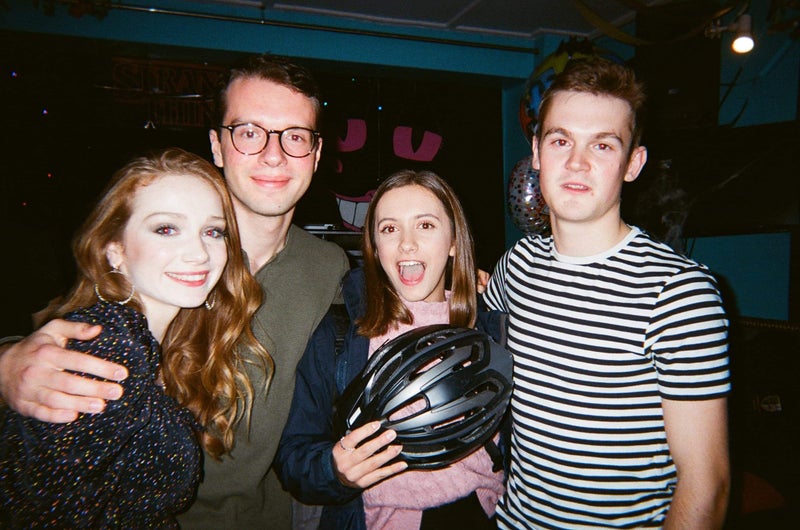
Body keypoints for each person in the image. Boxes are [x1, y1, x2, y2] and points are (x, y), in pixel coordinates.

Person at [0, 55, 351, 528]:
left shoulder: (327, 265)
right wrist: (7, 364)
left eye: (295, 136)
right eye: (250, 132)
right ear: (217, 145)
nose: (274, 155)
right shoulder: (164, 258)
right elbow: (73, 327)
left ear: (316, 152)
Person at [482, 56, 731, 528]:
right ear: (537, 152)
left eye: (602, 145)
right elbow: (468, 321)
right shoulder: (517, 265)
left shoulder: (679, 293)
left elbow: (706, 485)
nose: (576, 162)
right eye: (561, 140)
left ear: (633, 164)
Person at [0, 147, 268, 527]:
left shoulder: (155, 341)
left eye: (213, 231)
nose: (199, 253)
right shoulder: (108, 347)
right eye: (166, 229)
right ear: (115, 250)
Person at [276, 169, 505, 530]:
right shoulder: (338, 336)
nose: (406, 243)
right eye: (389, 229)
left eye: (425, 225)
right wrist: (335, 471)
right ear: (375, 246)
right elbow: (293, 456)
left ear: (453, 242)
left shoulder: (491, 327)